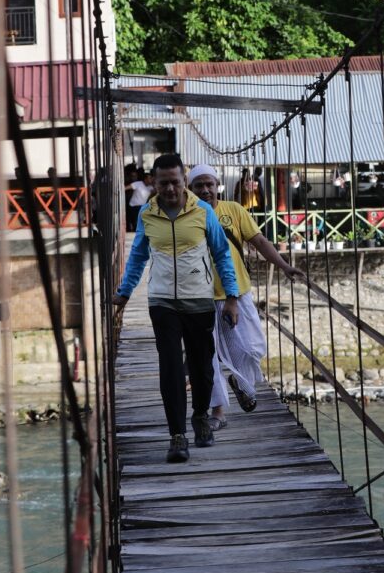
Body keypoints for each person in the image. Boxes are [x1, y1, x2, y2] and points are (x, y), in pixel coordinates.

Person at [112, 154, 240, 464]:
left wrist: (232, 297)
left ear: (184, 180)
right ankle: (176, 436)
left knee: (202, 367)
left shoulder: (203, 211)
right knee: (169, 367)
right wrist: (124, 294)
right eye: (163, 182)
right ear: (153, 183)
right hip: (162, 302)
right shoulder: (147, 214)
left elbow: (222, 254)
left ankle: (199, 416)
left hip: (198, 300)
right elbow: (138, 256)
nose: (170, 188)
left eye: (175, 181)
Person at [187, 163, 306, 426]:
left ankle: (241, 382)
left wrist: (284, 266)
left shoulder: (234, 210)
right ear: (190, 189)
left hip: (236, 294)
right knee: (208, 356)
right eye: (199, 186)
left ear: (217, 185)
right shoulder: (186, 216)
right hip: (200, 298)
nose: (205, 190)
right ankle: (217, 412)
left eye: (209, 184)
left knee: (252, 347)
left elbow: (260, 241)